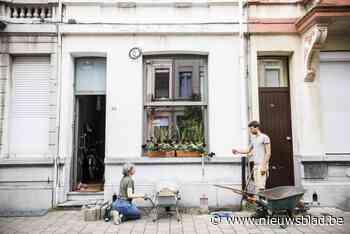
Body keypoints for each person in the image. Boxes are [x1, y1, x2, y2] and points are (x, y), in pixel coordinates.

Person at [232, 121, 271, 217]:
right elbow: (247, 150)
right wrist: (237, 151)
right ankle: (260, 210)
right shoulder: (254, 139)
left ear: (256, 127)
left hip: (262, 166)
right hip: (256, 166)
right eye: (249, 128)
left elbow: (268, 153)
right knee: (258, 189)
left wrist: (264, 166)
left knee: (261, 189)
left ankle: (263, 211)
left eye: (251, 128)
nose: (250, 130)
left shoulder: (264, 137)